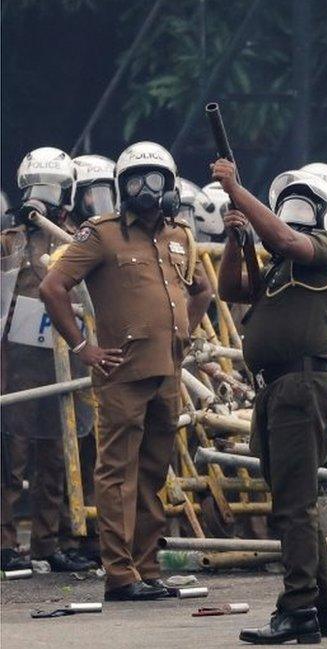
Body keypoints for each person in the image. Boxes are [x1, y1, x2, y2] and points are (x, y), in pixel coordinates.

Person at [39, 141, 212, 601]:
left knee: (154, 471)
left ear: (171, 186)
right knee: (116, 471)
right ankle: (120, 574)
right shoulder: (101, 234)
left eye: (156, 180)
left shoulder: (179, 236)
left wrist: (183, 335)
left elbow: (202, 290)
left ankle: (147, 565)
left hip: (167, 371)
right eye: (136, 181)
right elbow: (53, 286)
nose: (147, 190)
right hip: (121, 373)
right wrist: (83, 346)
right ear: (121, 187)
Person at [212, 162, 327, 644]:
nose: (294, 217)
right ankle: (326, 610)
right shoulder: (278, 268)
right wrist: (236, 239)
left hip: (301, 385)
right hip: (276, 390)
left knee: (293, 506)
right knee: (295, 503)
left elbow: (289, 240)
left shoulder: (326, 254)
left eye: (305, 207)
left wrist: (235, 189)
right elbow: (231, 289)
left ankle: (297, 610)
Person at [0, 147, 98, 573]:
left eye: (51, 188)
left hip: (64, 362)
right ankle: (4, 541)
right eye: (35, 187)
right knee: (8, 453)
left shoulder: (76, 238)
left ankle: (49, 540)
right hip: (15, 365)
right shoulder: (8, 239)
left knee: (57, 453)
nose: (42, 196)